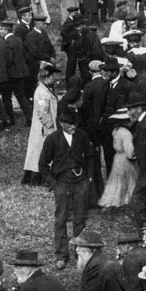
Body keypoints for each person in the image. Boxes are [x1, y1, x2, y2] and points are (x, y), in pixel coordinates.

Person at [39, 108, 94, 267]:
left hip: (80, 181)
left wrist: (89, 177)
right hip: (62, 182)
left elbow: (90, 156)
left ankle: (81, 252)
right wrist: (53, 183)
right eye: (70, 124)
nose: (74, 127)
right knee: (61, 219)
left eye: (75, 124)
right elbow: (42, 164)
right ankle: (61, 255)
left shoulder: (82, 136)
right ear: (62, 124)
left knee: (79, 218)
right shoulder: (52, 139)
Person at [22, 62, 60, 186]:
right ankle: (37, 178)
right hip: (43, 129)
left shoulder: (47, 89)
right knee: (40, 153)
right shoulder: (41, 92)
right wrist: (50, 128)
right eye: (54, 75)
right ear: (47, 76)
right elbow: (43, 113)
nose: (56, 78)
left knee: (40, 153)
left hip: (45, 128)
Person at [99, 109, 138, 212]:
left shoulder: (116, 130)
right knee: (128, 180)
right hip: (125, 159)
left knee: (116, 181)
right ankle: (122, 203)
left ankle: (112, 204)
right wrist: (135, 156)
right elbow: (130, 151)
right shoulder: (126, 133)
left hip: (117, 158)